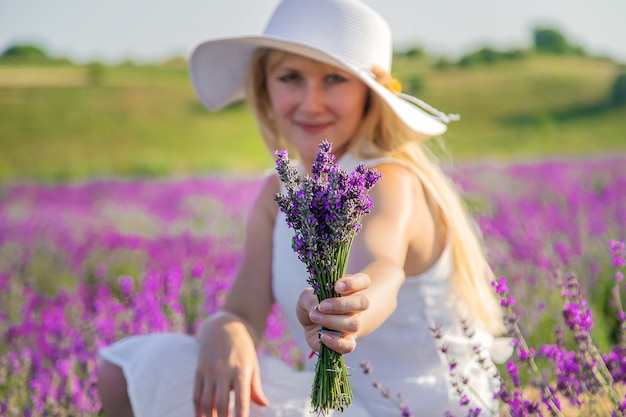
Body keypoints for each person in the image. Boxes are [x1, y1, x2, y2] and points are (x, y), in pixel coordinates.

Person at [97, 0, 511, 416]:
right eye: (291, 77)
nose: (311, 102)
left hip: (418, 408)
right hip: (331, 401)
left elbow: (383, 267)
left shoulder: (388, 179)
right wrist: (224, 327)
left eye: (334, 78)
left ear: (369, 92)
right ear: (265, 87)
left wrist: (349, 310)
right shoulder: (277, 192)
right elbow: (244, 308)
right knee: (131, 367)